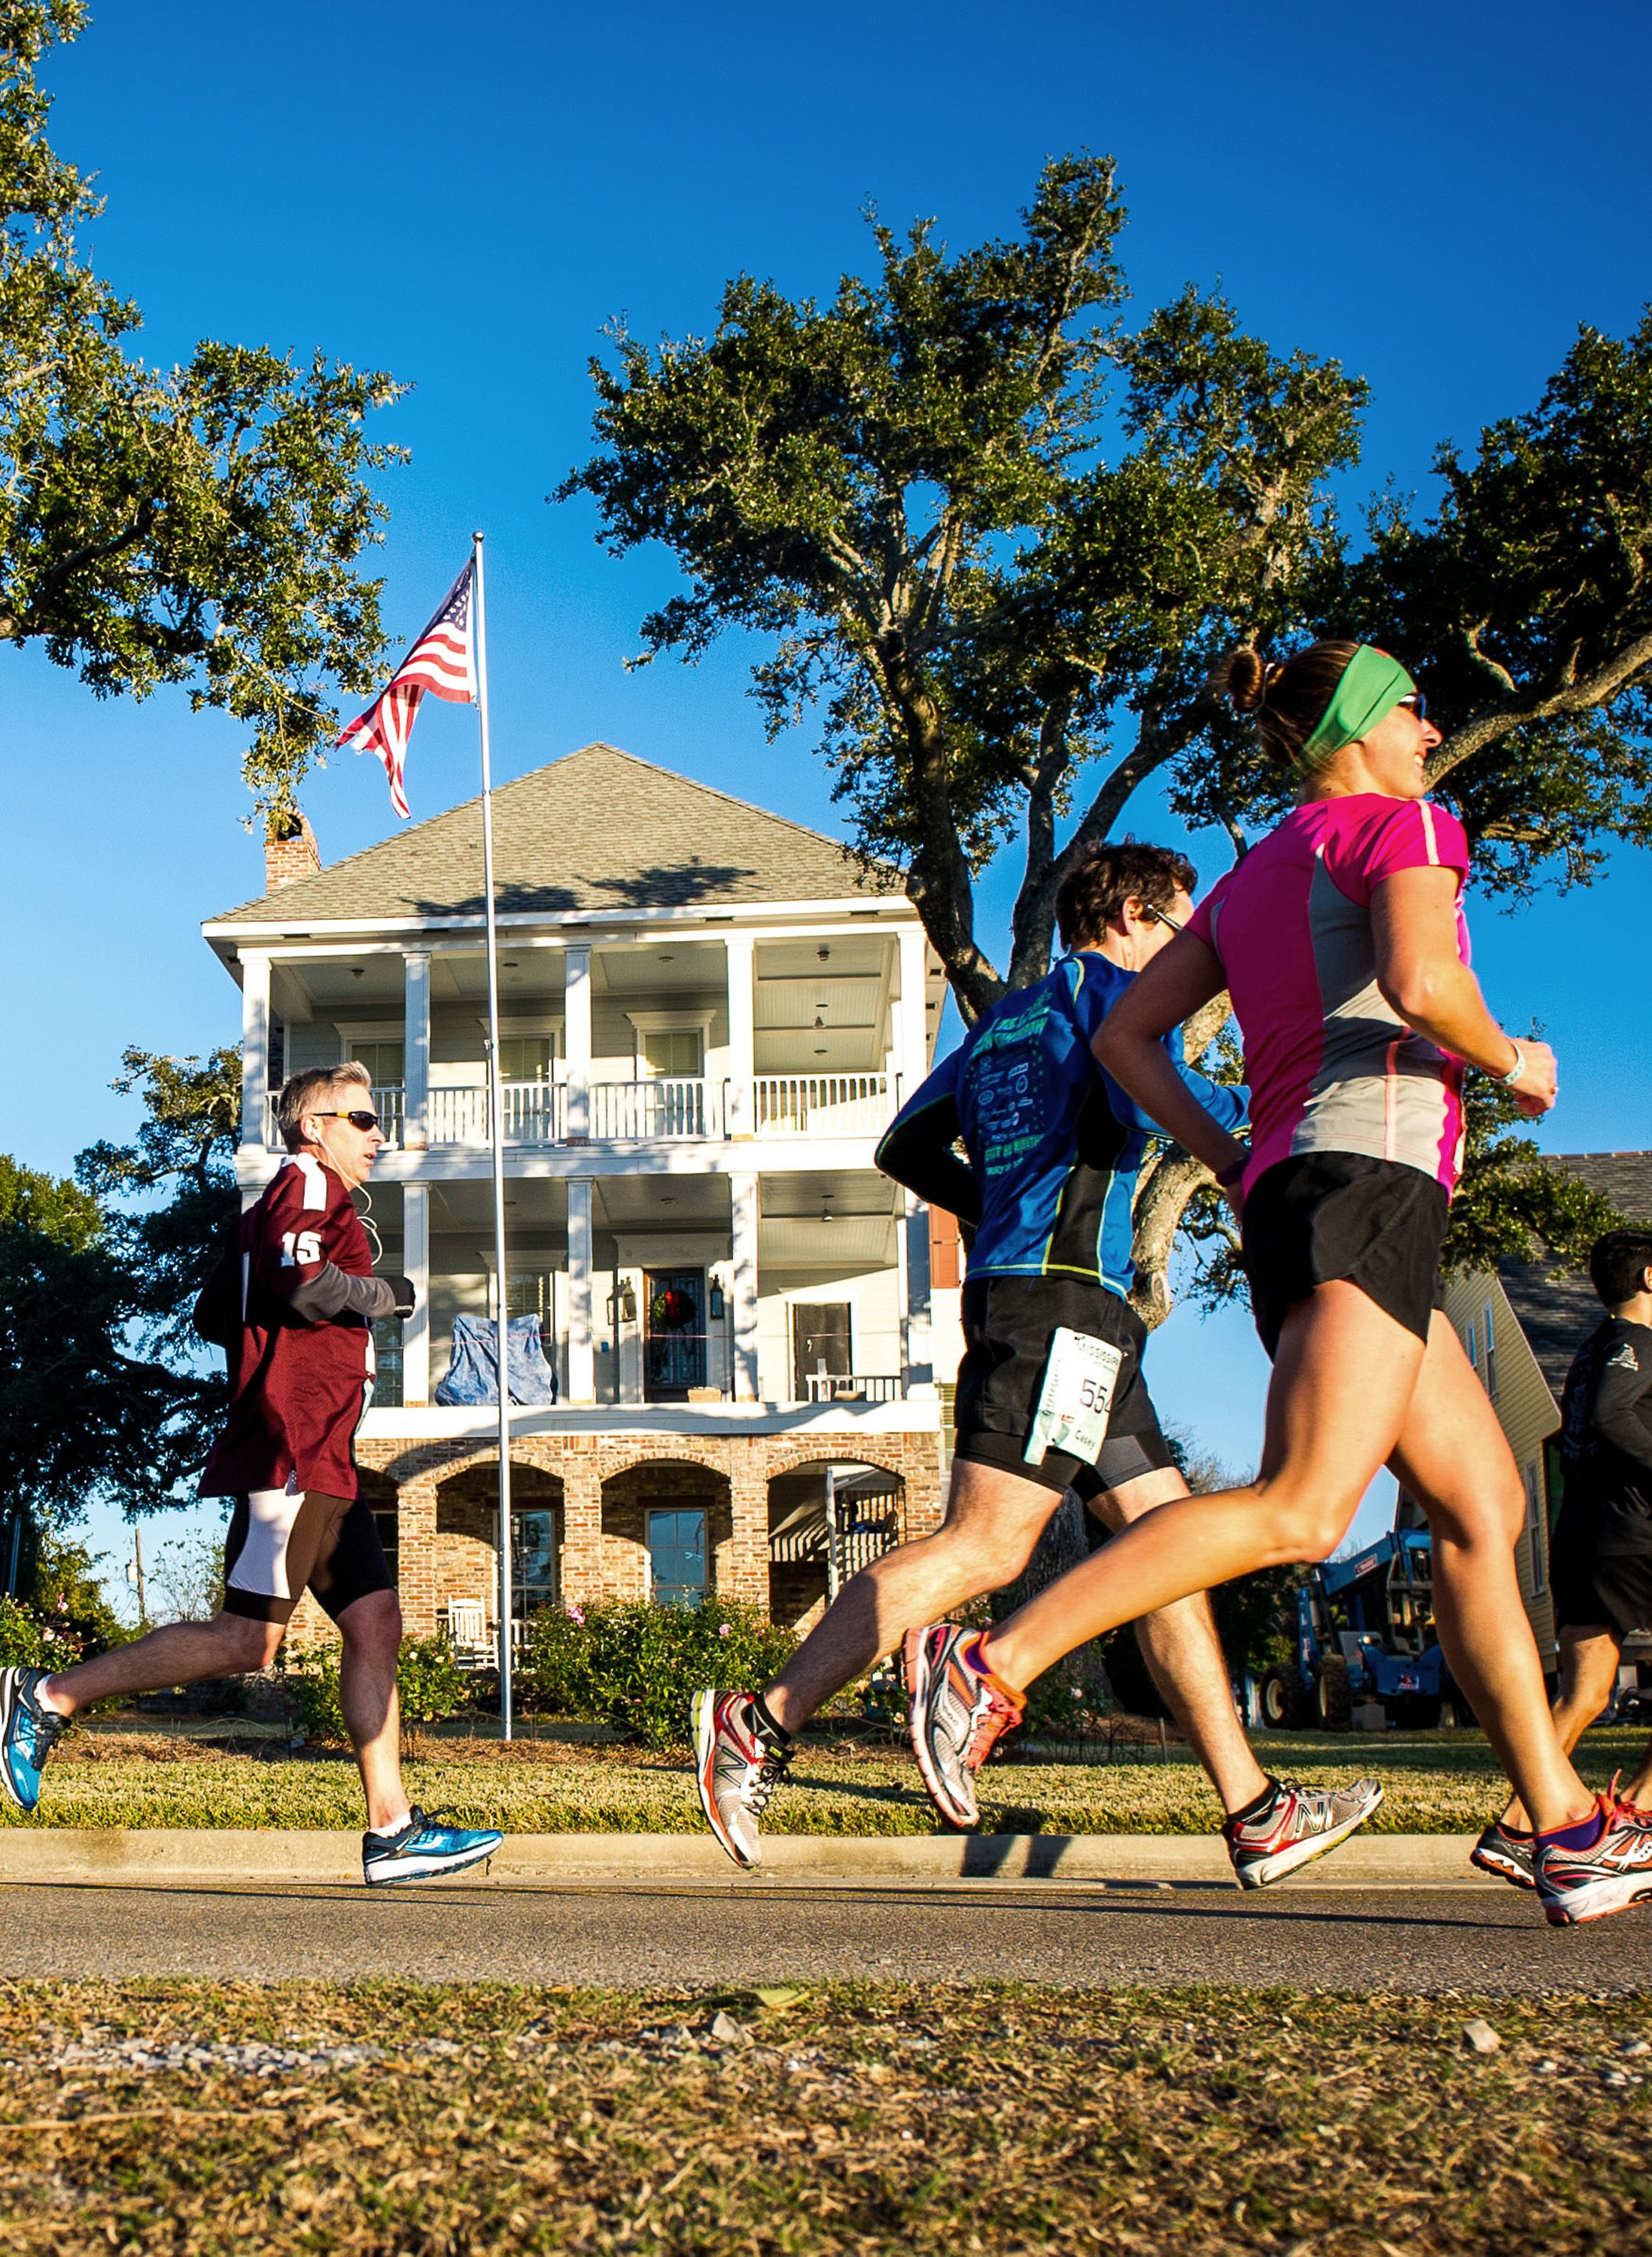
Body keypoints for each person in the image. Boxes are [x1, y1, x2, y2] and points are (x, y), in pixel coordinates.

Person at [902, 639, 1652, 1927]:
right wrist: (1512, 1057)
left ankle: (1563, 1822)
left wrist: (1236, 1158)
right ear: (1365, 728)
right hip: (1371, 1190)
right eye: (1418, 706)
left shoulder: (1253, 875)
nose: (1433, 727)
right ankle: (991, 1661)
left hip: (1315, 1198)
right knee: (1306, 1509)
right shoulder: (1405, 824)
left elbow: (1133, 1039)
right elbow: (1423, 985)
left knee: (1481, 1508)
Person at [694, 842, 1382, 1886]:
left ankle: (1253, 1810)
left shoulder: (1006, 1019)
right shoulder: (1115, 1006)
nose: (1201, 955)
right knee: (987, 1546)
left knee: (1166, 1552)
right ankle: (761, 1720)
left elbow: (906, 1148)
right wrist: (1292, 1120)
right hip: (1065, 1308)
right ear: (1139, 916)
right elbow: (1177, 1107)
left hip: (1054, 1300)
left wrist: (999, 1217)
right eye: (1187, 930)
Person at [0, 1061, 502, 1886]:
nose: (378, 1135)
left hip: (325, 1456)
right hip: (291, 1454)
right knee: (248, 1642)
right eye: (363, 1120)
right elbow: (305, 1288)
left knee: (377, 1629)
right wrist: (387, 1293)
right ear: (315, 1126)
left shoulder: (280, 1203)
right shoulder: (305, 1182)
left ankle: (392, 1830)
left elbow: (212, 1308)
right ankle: (47, 1698)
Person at [1473, 1228, 1652, 1888]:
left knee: (1585, 1693)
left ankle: (1520, 1827)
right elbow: (1612, 1417)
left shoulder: (1592, 1349)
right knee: (1584, 1691)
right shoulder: (1636, 1344)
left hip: (1580, 1537)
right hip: (1633, 1535)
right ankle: (1637, 1818)